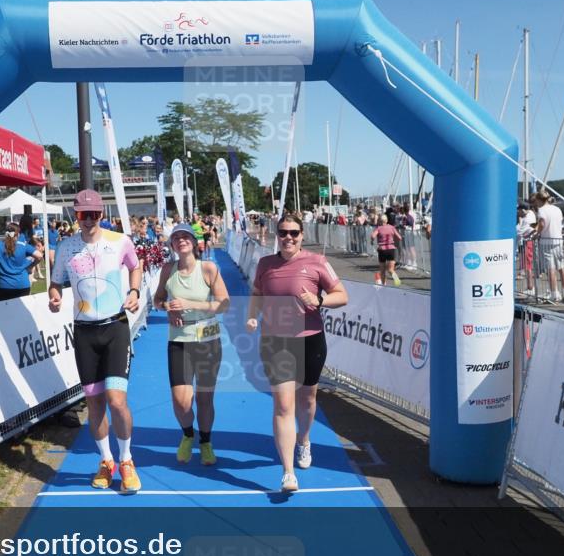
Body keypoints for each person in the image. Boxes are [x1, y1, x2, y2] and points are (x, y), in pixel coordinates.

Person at [246, 214, 349, 492]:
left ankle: (304, 441)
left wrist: (319, 300)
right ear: (276, 235)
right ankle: (288, 472)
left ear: (302, 234)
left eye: (293, 233)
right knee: (282, 405)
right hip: (275, 342)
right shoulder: (266, 264)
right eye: (283, 233)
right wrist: (253, 315)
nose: (288, 238)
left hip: (310, 340)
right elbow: (257, 293)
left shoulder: (316, 262)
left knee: (308, 399)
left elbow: (342, 294)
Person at [49, 190, 143, 493]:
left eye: (94, 214)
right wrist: (54, 295)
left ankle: (126, 460)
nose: (88, 220)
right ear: (75, 215)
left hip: (114, 327)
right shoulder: (65, 247)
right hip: (84, 332)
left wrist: (134, 291)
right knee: (94, 403)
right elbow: (55, 281)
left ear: (102, 214)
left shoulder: (119, 241)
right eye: (82, 214)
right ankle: (106, 461)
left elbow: (135, 266)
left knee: (117, 401)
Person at [153, 224, 230, 466]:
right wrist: (167, 309)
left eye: (186, 236)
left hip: (208, 341)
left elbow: (224, 304)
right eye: (176, 238)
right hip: (179, 341)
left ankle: (205, 442)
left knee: (204, 399)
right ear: (172, 245)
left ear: (195, 242)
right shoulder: (168, 269)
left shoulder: (208, 268)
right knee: (181, 401)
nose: (181, 240)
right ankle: (188, 435)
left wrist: (191, 305)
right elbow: (157, 300)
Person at [0, 222, 43, 301]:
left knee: (3, 312)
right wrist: (30, 266)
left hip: (4, 286)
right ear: (18, 234)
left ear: (6, 233)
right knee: (21, 312)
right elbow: (39, 256)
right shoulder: (23, 246)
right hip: (23, 285)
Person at [533, 192, 564, 302]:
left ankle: (554, 294)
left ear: (539, 200)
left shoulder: (542, 210)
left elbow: (542, 224)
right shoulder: (557, 209)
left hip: (546, 241)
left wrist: (536, 234)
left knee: (551, 269)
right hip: (558, 240)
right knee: (561, 268)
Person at [370, 214, 402, 286]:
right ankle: (396, 279)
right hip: (391, 249)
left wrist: (371, 241)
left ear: (379, 221)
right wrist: (394, 242)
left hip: (382, 250)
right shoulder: (392, 227)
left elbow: (372, 236)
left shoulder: (379, 228)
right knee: (390, 269)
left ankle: (384, 285)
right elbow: (399, 237)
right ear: (386, 220)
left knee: (382, 270)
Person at [516, 204, 537, 296]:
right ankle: (530, 287)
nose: (518, 213)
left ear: (523, 210)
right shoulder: (531, 213)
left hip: (527, 242)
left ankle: (530, 287)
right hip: (527, 241)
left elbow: (520, 232)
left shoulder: (527, 219)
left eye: (519, 211)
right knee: (527, 265)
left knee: (528, 266)